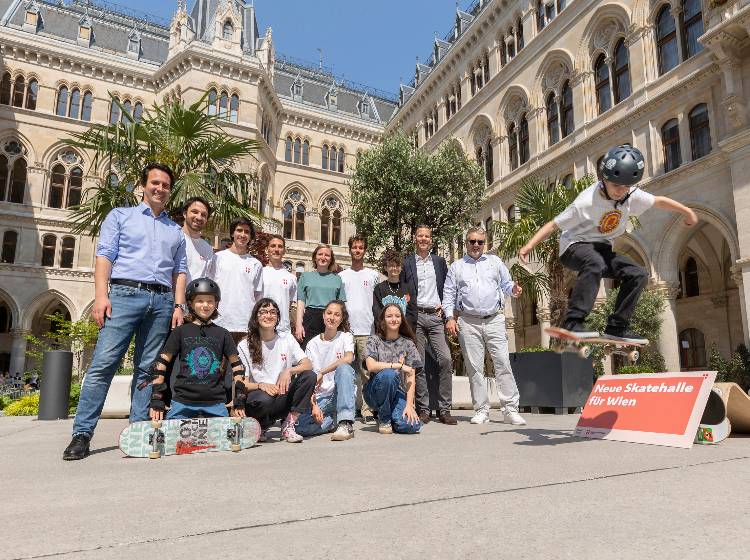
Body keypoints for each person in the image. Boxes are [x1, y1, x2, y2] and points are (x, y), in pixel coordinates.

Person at [63, 163, 187, 461]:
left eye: (166, 185)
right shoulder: (120, 216)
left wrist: (178, 305)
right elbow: (104, 256)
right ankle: (82, 434)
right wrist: (101, 296)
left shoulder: (175, 230)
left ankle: (139, 430)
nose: (160, 188)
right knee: (103, 364)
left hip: (161, 301)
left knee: (147, 369)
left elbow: (180, 270)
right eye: (155, 183)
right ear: (143, 185)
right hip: (123, 294)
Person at [520, 144, 698, 342]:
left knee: (638, 274)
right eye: (615, 186)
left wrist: (686, 211)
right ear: (604, 179)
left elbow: (658, 201)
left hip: (603, 249)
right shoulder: (586, 201)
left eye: (625, 187)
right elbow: (553, 224)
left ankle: (617, 327)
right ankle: (573, 322)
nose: (620, 191)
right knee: (593, 262)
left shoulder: (632, 195)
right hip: (573, 247)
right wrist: (529, 245)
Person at [444, 227, 526, 426]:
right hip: (468, 321)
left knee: (503, 363)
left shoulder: (495, 262)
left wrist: (514, 289)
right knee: (474, 367)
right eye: (472, 241)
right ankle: (481, 410)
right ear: (466, 243)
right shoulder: (457, 266)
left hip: (494, 319)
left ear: (485, 243)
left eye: (480, 242)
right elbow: (448, 294)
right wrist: (450, 318)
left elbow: (507, 285)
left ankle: (510, 410)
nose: (476, 245)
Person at [147, 278, 245, 420]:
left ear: (216, 303)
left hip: (216, 403)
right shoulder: (180, 332)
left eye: (210, 301)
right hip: (182, 401)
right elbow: (160, 365)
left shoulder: (223, 334)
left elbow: (238, 367)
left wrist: (239, 400)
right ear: (191, 303)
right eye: (200, 301)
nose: (205, 305)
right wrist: (157, 399)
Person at [236, 298, 317, 443]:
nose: (268, 315)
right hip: (259, 398)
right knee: (264, 398)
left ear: (278, 317)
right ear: (256, 316)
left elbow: (307, 364)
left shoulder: (286, 339)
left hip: (281, 396)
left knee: (309, 376)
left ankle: (289, 425)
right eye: (263, 312)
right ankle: (259, 425)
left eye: (273, 312)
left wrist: (289, 371)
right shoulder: (244, 345)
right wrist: (261, 385)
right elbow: (242, 384)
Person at [401, 225, 456, 425]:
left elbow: (447, 288)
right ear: (414, 238)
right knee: (419, 364)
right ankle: (423, 409)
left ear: (430, 240)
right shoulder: (407, 263)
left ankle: (445, 409)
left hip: (435, 317)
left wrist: (447, 308)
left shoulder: (439, 262)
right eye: (420, 236)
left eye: (427, 236)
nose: (423, 239)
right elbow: (403, 291)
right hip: (416, 317)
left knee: (446, 360)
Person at [296, 300, 357, 441]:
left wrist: (322, 372)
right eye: (329, 313)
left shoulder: (345, 337)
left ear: (341, 319)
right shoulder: (312, 344)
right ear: (323, 315)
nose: (332, 317)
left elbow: (348, 358)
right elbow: (308, 378)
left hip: (340, 394)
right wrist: (313, 405)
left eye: (337, 315)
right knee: (298, 426)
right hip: (321, 398)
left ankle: (345, 423)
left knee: (344, 368)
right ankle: (331, 421)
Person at [337, 235, 380, 424]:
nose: (357, 250)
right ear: (350, 250)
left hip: (367, 329)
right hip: (346, 330)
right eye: (354, 247)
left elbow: (378, 302)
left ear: (365, 250)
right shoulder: (342, 276)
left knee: (366, 372)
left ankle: (367, 410)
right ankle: (344, 409)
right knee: (344, 370)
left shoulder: (373, 275)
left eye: (361, 248)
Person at [364, 304, 422, 435]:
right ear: (383, 320)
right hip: (374, 392)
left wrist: (409, 405)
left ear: (402, 319)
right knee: (389, 375)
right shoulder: (374, 340)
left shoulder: (408, 343)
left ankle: (391, 416)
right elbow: (371, 366)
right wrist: (398, 366)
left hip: (397, 393)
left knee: (412, 426)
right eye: (389, 316)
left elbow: (411, 376)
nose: (393, 319)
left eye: (397, 316)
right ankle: (384, 419)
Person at [214, 218, 264, 344]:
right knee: (218, 363)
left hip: (245, 325)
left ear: (250, 236)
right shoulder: (218, 258)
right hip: (219, 322)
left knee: (242, 363)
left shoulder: (255, 264)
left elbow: (258, 296)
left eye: (246, 232)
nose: (242, 235)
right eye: (239, 230)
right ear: (232, 233)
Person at [295, 244, 346, 349]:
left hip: (331, 318)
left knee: (329, 351)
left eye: (327, 255)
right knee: (308, 351)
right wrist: (299, 325)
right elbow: (301, 302)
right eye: (320, 254)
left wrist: (343, 325)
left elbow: (341, 305)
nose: (323, 257)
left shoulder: (337, 279)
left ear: (331, 259)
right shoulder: (305, 276)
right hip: (310, 318)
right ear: (315, 257)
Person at [373, 249, 417, 331]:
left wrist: (403, 330)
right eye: (391, 265)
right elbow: (377, 313)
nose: (395, 268)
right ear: (386, 267)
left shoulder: (409, 289)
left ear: (401, 268)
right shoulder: (379, 289)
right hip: (385, 334)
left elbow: (412, 313)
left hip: (404, 334)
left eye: (397, 265)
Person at [262, 234, 298, 335]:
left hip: (283, 330)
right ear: (267, 249)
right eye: (273, 246)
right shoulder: (260, 273)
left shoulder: (291, 278)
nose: (276, 249)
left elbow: (290, 304)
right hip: (262, 328)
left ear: (284, 251)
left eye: (280, 246)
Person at [181, 197, 216, 283]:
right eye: (195, 212)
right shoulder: (174, 238)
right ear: (185, 214)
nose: (199, 217)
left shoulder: (207, 248)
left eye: (203, 215)